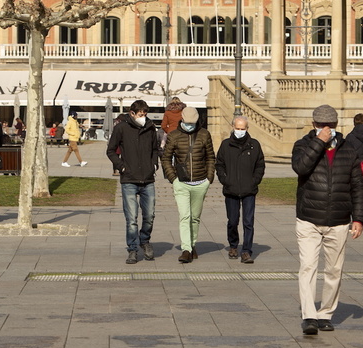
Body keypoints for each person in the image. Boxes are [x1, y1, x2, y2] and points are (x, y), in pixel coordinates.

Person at [291, 104, 363, 335]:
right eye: (323, 126)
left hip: (339, 219)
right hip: (309, 218)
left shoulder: (348, 149)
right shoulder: (303, 145)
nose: (327, 129)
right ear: (314, 125)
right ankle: (309, 315)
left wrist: (359, 218)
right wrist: (319, 142)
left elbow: (357, 186)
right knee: (308, 267)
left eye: (331, 126)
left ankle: (325, 313)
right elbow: (301, 167)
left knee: (334, 269)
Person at [106, 100, 159, 264]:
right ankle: (133, 249)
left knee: (149, 215)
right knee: (132, 219)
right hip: (129, 179)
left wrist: (154, 164)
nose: (143, 117)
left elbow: (155, 149)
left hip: (148, 178)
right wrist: (121, 166)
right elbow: (110, 150)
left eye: (145, 114)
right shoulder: (121, 128)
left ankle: (145, 240)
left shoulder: (150, 128)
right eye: (141, 114)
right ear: (132, 114)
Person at [161, 107, 215, 263]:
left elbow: (211, 157)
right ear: (182, 119)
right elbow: (166, 159)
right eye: (187, 122)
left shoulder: (205, 134)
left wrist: (209, 178)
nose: (190, 125)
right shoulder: (174, 136)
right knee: (185, 216)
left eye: (193, 122)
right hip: (182, 183)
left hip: (200, 182)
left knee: (195, 218)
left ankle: (192, 244)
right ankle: (186, 249)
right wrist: (173, 179)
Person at [215, 115, 265, 264]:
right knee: (233, 221)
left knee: (248, 222)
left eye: (243, 129)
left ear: (247, 129)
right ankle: (233, 245)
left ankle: (246, 251)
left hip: (249, 189)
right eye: (237, 128)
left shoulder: (254, 145)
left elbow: (260, 165)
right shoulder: (225, 145)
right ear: (233, 128)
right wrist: (225, 180)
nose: (240, 131)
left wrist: (255, 181)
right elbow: (219, 164)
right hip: (231, 189)